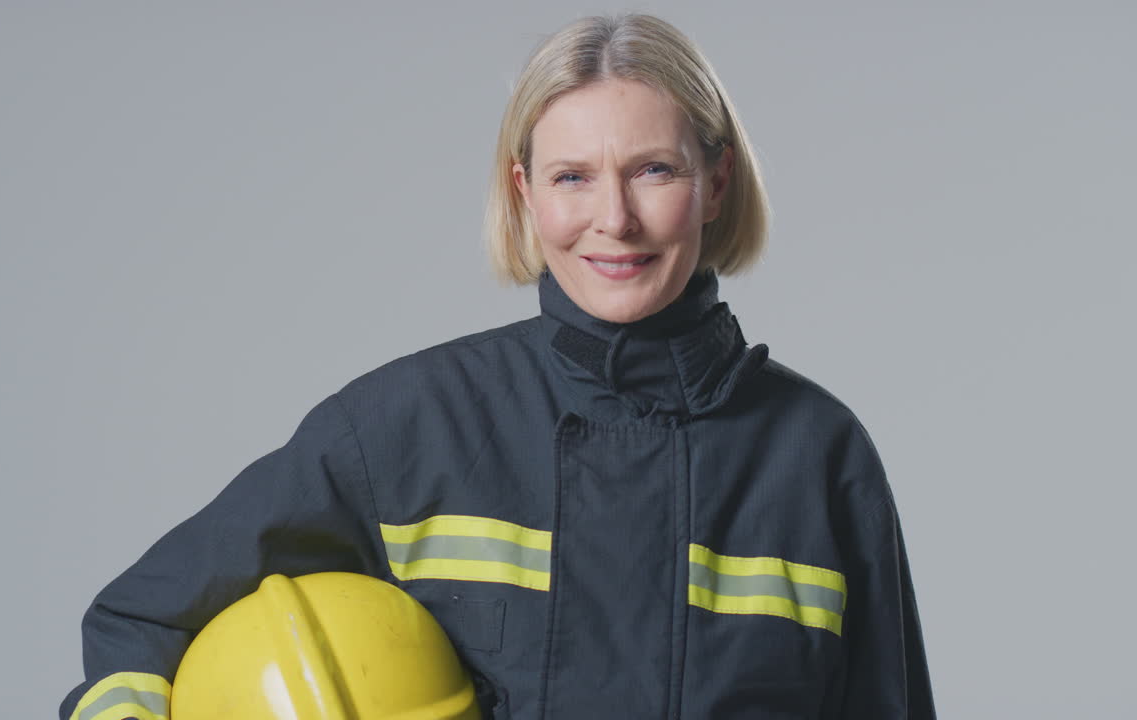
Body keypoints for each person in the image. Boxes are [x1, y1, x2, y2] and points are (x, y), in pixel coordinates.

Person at [61, 12, 935, 720]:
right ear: (525, 193)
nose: (614, 218)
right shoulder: (408, 428)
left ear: (717, 182)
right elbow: (139, 621)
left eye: (653, 170)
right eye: (572, 178)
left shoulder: (819, 458)